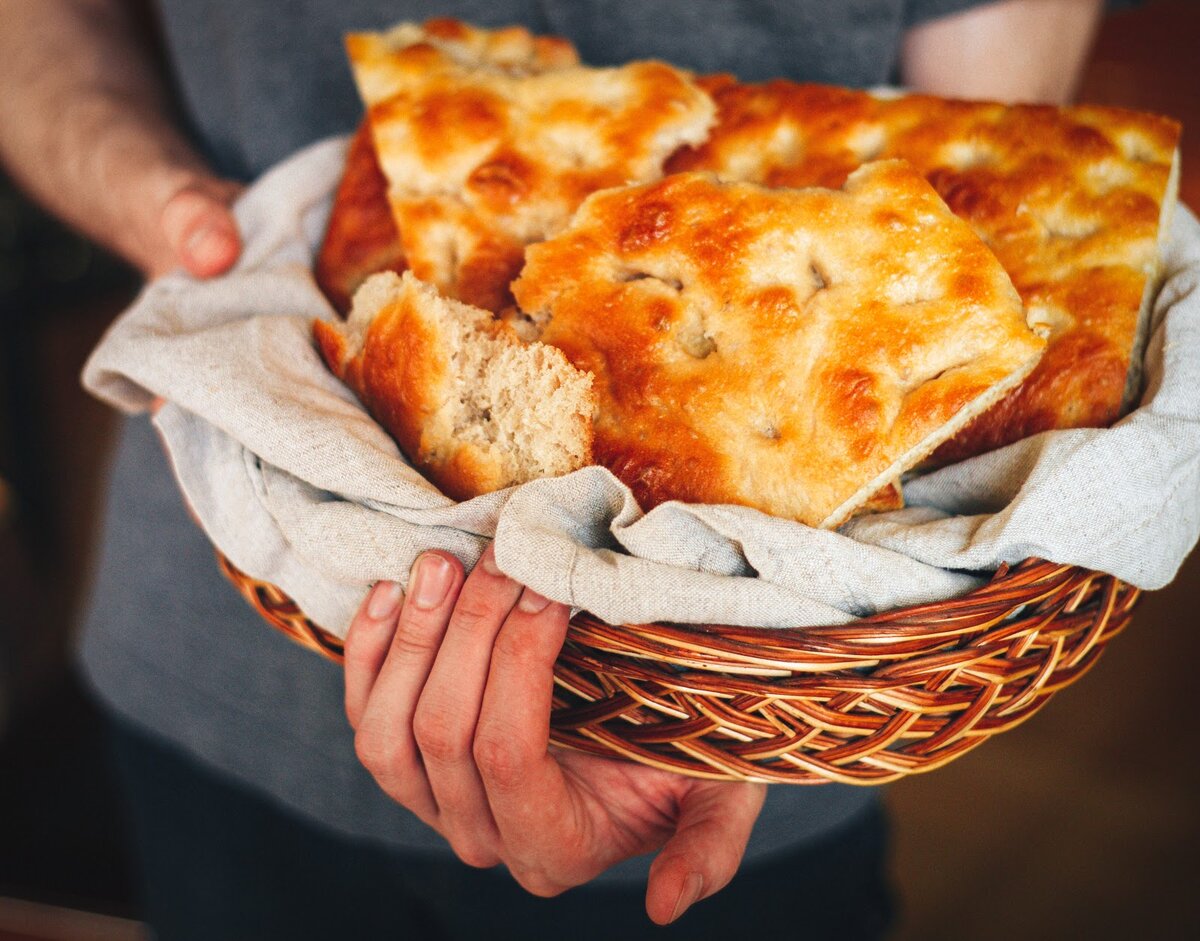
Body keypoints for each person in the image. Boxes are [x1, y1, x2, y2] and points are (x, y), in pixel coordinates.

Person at [0, 1, 1104, 937]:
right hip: (222, 644)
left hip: (753, 730)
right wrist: (182, 222)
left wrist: (770, 623)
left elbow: (993, 148)